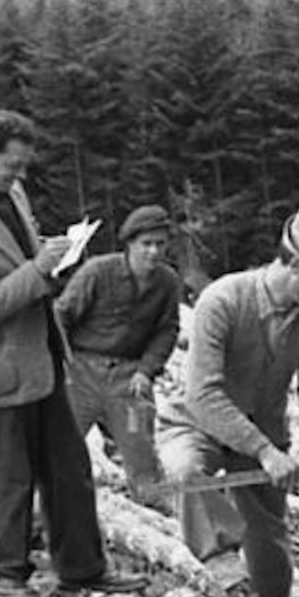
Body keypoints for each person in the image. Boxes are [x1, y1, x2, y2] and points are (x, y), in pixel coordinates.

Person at [0, 108, 147, 597]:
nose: (19, 176)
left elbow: (28, 265)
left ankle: (82, 568)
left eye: (24, 165)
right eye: (11, 165)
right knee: (10, 474)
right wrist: (39, 269)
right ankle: (6, 575)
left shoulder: (12, 194)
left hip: (44, 359)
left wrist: (55, 260)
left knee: (69, 467)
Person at [157, 204, 299, 597]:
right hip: (198, 422)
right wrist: (264, 450)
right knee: (187, 472)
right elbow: (204, 394)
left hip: (264, 427)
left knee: (267, 533)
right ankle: (232, 589)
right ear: (293, 264)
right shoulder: (224, 301)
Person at [56, 204, 183, 506]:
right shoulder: (98, 272)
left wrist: (146, 370)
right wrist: (61, 363)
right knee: (59, 449)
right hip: (81, 373)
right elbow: (61, 316)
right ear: (129, 243)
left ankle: (152, 519)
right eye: (146, 244)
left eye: (160, 244)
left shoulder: (167, 281)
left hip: (129, 380)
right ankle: (38, 523)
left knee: (141, 450)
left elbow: (167, 330)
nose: (153, 252)